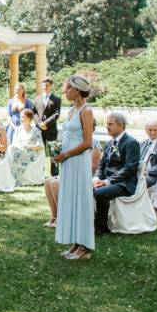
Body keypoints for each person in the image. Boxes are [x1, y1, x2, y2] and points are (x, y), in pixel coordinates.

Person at [46, 75, 95, 259]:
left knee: (80, 201)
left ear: (76, 90)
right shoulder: (71, 110)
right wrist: (59, 151)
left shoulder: (86, 111)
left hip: (78, 161)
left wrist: (65, 154)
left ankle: (85, 247)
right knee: (71, 200)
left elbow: (88, 142)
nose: (65, 92)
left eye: (67, 89)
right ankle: (76, 244)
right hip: (67, 162)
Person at [92, 113, 140, 235]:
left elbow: (129, 168)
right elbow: (102, 164)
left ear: (121, 126)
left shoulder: (131, 143)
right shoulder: (109, 143)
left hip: (124, 183)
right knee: (86, 188)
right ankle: (88, 223)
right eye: (107, 124)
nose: (107, 127)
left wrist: (107, 181)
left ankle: (101, 228)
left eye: (110, 124)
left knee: (99, 193)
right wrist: (96, 178)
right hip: (108, 181)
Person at [8, 109, 46, 185]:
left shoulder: (36, 131)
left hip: (32, 153)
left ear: (29, 118)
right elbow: (15, 144)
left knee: (15, 151)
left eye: (23, 117)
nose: (21, 119)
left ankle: (17, 179)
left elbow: (40, 146)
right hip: (19, 151)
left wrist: (27, 146)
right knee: (12, 149)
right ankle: (14, 178)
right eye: (20, 117)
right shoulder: (18, 130)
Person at [34, 79, 61, 177]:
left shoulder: (56, 99)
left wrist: (45, 123)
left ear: (51, 86)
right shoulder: (37, 99)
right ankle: (39, 174)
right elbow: (34, 113)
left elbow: (57, 114)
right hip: (40, 130)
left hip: (51, 130)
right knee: (40, 152)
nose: (45, 87)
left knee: (53, 153)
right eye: (44, 85)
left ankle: (55, 175)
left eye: (47, 85)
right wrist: (39, 123)